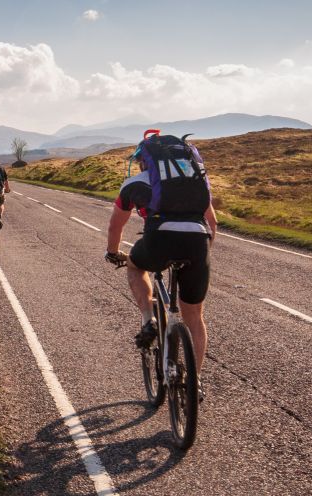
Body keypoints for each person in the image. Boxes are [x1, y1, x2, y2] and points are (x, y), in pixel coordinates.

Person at [104, 131, 217, 395]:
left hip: (159, 240)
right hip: (197, 244)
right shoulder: (196, 182)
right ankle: (194, 381)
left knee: (135, 266)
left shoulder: (134, 183)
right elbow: (213, 224)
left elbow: (115, 225)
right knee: (194, 316)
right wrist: (203, 253)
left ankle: (148, 319)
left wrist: (113, 252)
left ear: (145, 161)